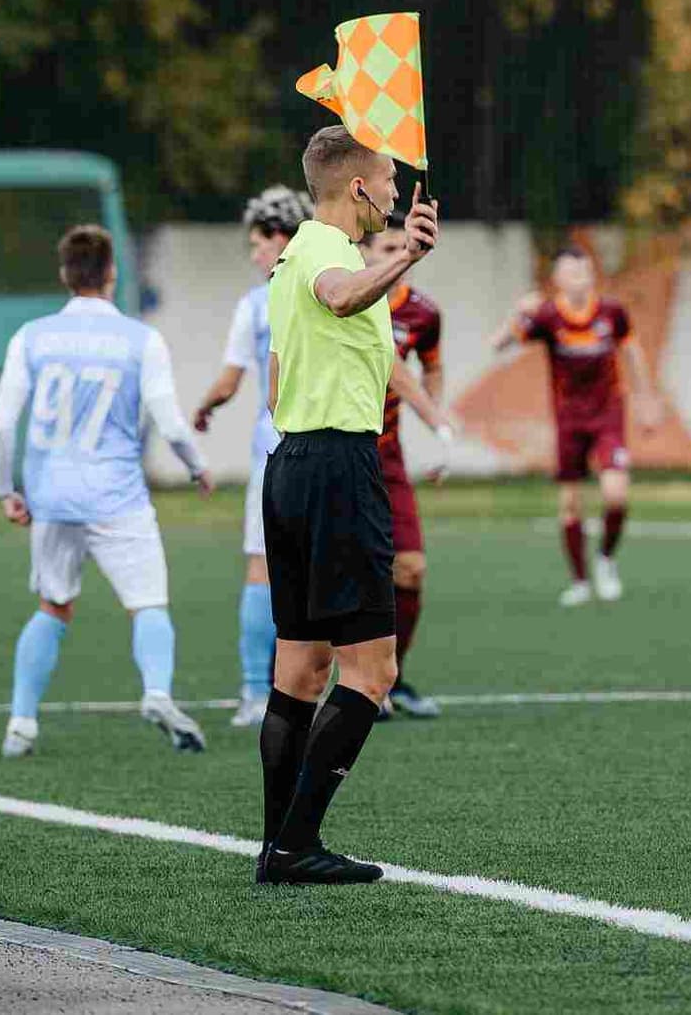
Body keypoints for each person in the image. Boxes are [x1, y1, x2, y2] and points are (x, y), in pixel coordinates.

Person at [255, 122, 439, 886]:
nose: (397, 193)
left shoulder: (291, 255)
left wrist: (396, 258)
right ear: (358, 186)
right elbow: (339, 300)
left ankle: (276, 845)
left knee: (299, 670)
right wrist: (409, 261)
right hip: (336, 466)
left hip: (291, 463)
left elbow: (275, 381)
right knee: (373, 670)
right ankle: (296, 844)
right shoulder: (330, 254)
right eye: (390, 180)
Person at [0, 225, 214, 759]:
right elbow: (172, 423)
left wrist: (6, 490)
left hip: (52, 497)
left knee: (53, 605)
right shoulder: (141, 340)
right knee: (148, 604)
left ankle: (21, 722)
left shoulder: (31, 337)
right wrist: (196, 467)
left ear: (66, 275)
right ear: (112, 274)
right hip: (117, 499)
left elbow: (1, 424)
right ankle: (157, 692)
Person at [192, 186, 315, 727]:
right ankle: (338, 689)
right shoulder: (329, 284)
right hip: (330, 444)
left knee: (264, 568)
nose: (255, 254)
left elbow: (231, 378)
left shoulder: (257, 301)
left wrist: (204, 406)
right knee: (323, 569)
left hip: (277, 448)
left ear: (280, 236)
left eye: (258, 242)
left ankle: (254, 692)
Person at [489, 245, 660, 606]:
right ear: (558, 279)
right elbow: (498, 345)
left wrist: (647, 400)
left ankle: (606, 559)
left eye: (584, 271)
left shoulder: (611, 312)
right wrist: (517, 315)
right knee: (570, 504)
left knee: (616, 494)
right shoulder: (548, 316)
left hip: (608, 414)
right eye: (571, 272)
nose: (579, 278)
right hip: (568, 419)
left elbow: (632, 351)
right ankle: (580, 581)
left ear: (592, 275)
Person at [359, 214, 454, 719]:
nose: (399, 254)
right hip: (342, 450)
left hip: (388, 454)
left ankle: (389, 679)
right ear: (366, 254)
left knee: (411, 570)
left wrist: (435, 428)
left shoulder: (423, 313)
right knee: (349, 575)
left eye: (406, 244)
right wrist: (440, 427)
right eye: (388, 246)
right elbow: (399, 377)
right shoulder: (352, 300)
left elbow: (429, 369)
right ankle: (355, 683)